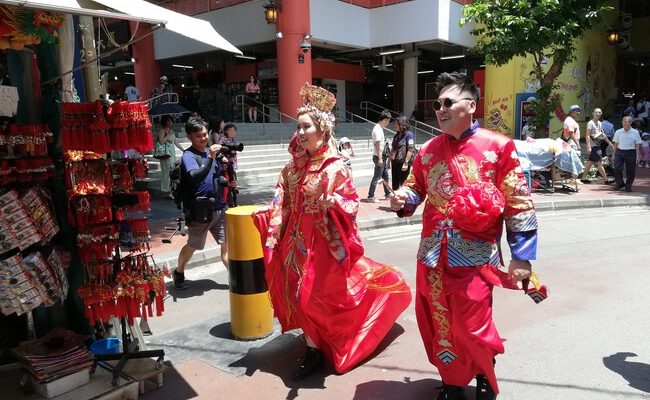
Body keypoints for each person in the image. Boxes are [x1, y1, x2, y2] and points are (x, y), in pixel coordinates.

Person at [390, 72, 541, 400]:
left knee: (472, 324)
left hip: (474, 256)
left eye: (448, 102)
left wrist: (522, 256)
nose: (440, 110)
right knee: (438, 321)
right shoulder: (428, 150)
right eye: (437, 104)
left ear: (470, 106)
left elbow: (518, 203)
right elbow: (416, 187)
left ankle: (485, 372)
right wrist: (403, 198)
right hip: (432, 255)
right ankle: (452, 380)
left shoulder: (498, 147)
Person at [251, 83, 411, 381]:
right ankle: (314, 345)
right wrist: (270, 217)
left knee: (312, 298)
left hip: (323, 244)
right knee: (301, 297)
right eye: (297, 127)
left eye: (305, 127)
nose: (299, 133)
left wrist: (333, 201)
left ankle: (319, 348)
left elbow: (351, 204)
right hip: (295, 242)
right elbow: (281, 199)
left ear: (322, 130)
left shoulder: (335, 167)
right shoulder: (291, 168)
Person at [172, 118, 233, 289]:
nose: (204, 138)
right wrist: (210, 158)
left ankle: (236, 280)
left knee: (225, 247)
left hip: (219, 208)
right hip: (200, 210)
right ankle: (179, 271)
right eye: (198, 136)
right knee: (193, 245)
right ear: (189, 137)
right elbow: (195, 176)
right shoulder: (188, 156)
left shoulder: (209, 152)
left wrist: (227, 180)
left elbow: (214, 176)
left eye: (205, 134)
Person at [581, 108, 614, 184]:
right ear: (593, 113)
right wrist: (588, 146)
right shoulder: (590, 123)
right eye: (596, 112)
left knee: (589, 163)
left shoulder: (599, 123)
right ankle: (606, 180)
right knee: (600, 163)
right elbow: (587, 135)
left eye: (599, 112)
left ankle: (583, 178)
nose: (598, 114)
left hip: (597, 145)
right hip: (593, 147)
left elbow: (603, 135)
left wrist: (610, 143)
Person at [612, 115, 642, 192]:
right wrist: (613, 154)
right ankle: (620, 183)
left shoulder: (635, 132)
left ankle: (628, 186)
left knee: (630, 170)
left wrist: (638, 155)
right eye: (623, 121)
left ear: (630, 123)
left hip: (631, 152)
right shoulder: (618, 131)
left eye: (626, 121)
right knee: (617, 168)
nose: (624, 123)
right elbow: (615, 144)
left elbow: (637, 144)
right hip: (620, 151)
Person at [367, 110, 392, 202]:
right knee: (377, 177)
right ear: (384, 119)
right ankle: (371, 196)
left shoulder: (380, 128)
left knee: (385, 176)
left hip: (382, 156)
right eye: (388, 121)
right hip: (379, 156)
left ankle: (388, 194)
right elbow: (377, 144)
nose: (388, 123)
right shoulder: (377, 129)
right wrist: (380, 158)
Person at [157, 115, 185, 199]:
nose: (170, 122)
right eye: (168, 121)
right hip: (165, 155)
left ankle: (171, 190)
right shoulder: (162, 131)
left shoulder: (172, 131)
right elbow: (161, 142)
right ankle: (168, 191)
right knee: (167, 172)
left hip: (172, 154)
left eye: (171, 121)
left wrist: (183, 150)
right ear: (164, 122)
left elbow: (176, 142)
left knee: (172, 172)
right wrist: (168, 135)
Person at [389, 115, 416, 190]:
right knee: (395, 183)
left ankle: (404, 199)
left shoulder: (409, 135)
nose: (395, 126)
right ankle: (395, 197)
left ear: (402, 124)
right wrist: (389, 160)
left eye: (397, 124)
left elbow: (410, 149)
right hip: (395, 162)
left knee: (404, 183)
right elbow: (393, 148)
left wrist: (406, 162)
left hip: (403, 163)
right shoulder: (397, 135)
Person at [218, 123, 240, 207]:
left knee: (233, 183)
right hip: (225, 166)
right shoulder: (223, 139)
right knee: (227, 184)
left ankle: (234, 202)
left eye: (234, 131)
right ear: (226, 131)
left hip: (232, 164)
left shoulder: (233, 140)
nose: (232, 132)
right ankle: (227, 202)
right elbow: (220, 150)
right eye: (230, 130)